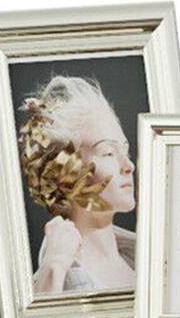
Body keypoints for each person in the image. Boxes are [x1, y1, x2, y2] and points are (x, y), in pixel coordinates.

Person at [18, 75, 137, 295]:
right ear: (66, 172)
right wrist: (53, 268)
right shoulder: (56, 280)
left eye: (125, 150)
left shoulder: (154, 258)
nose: (128, 165)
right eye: (108, 152)